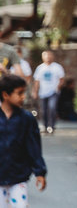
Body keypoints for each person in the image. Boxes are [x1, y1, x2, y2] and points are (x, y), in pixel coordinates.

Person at [0, 74, 47, 206]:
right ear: (5, 95)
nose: (23, 96)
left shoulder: (27, 119)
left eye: (24, 92)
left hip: (18, 177)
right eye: (19, 93)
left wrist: (40, 172)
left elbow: (34, 146)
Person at [31, 52, 64, 135]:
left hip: (53, 92)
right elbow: (37, 81)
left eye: (49, 56)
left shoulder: (57, 67)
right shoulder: (40, 68)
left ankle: (51, 126)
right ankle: (45, 126)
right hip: (43, 92)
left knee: (52, 108)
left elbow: (61, 79)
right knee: (43, 110)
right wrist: (35, 91)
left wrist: (57, 88)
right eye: (46, 56)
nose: (48, 57)